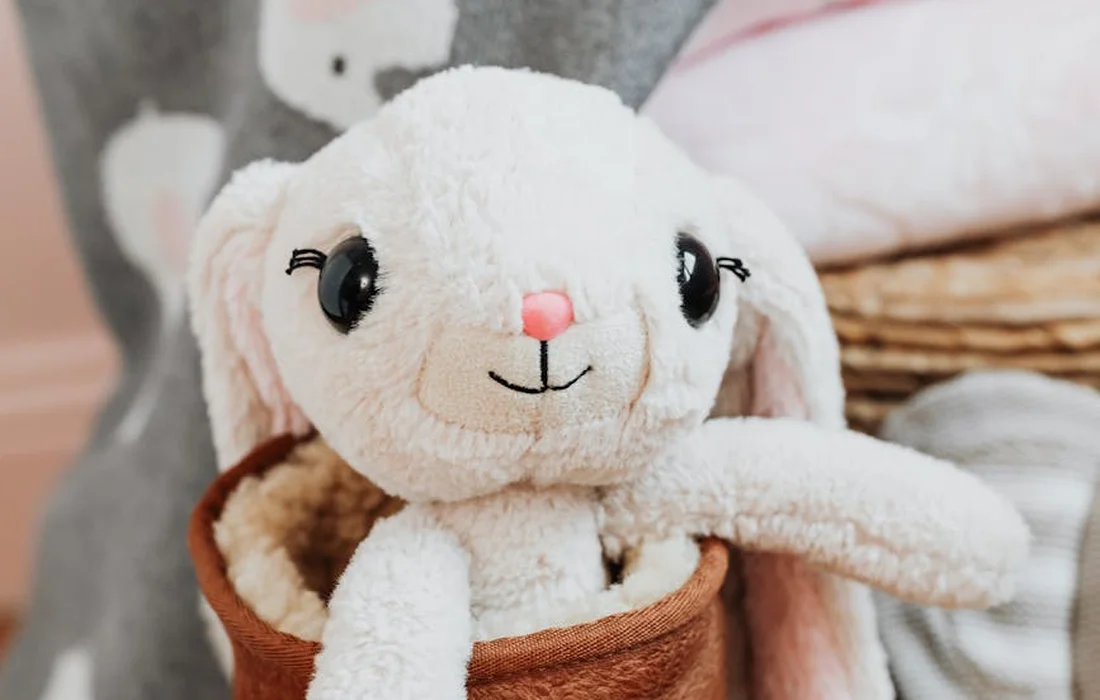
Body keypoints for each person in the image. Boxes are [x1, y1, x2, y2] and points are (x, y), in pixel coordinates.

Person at [0, 1, 717, 698]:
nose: (540, 323)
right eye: (354, 287)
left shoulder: (650, 493)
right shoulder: (412, 556)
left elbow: (779, 488)